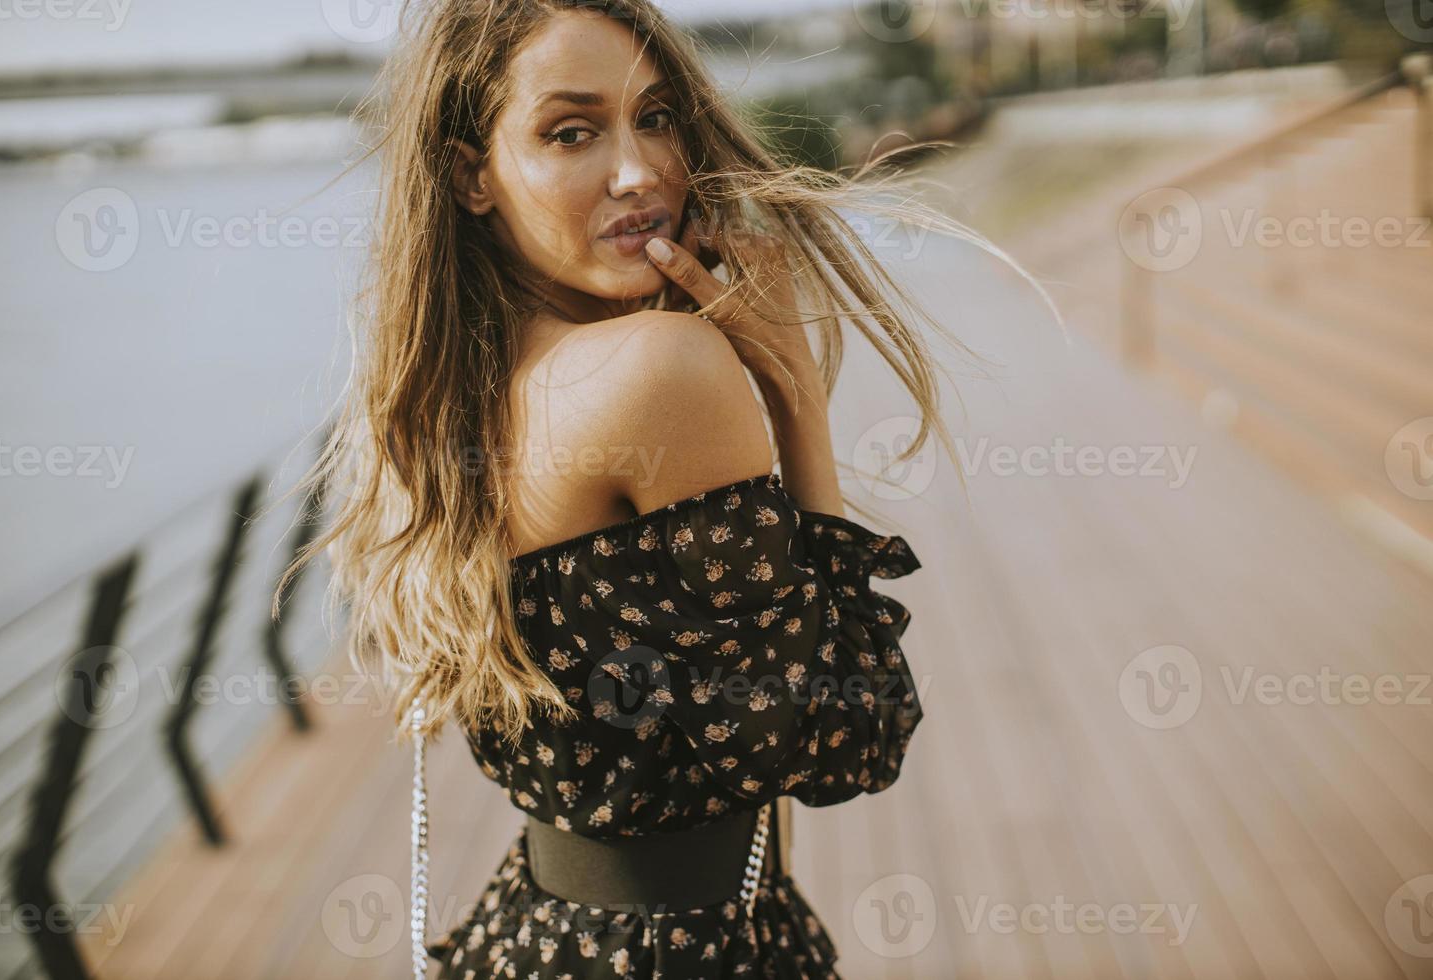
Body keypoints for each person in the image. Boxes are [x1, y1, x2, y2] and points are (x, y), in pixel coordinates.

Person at [274, 1, 1009, 975]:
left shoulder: (454, 401)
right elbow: (846, 736)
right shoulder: (660, 369)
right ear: (470, 173)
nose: (640, 172)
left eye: (655, 116)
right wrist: (795, 400)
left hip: (536, 933)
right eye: (571, 132)